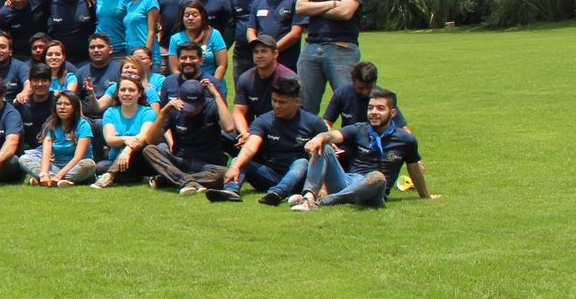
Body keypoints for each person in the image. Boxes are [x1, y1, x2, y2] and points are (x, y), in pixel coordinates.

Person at [294, 87, 439, 211]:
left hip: (374, 190)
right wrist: (318, 138)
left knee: (377, 177)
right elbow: (333, 135)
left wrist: (426, 196)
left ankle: (325, 201)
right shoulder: (360, 129)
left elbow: (414, 170)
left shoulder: (406, 140)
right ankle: (309, 198)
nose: (374, 112)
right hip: (348, 182)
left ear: (393, 113)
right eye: (370, 108)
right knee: (323, 147)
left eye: (380, 108)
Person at [216, 75, 328, 204]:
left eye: (282, 102)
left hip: (300, 179)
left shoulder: (314, 123)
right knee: (238, 160)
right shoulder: (264, 121)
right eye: (274, 100)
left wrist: (323, 187)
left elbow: (327, 156)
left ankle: (277, 193)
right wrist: (235, 167)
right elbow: (250, 146)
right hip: (270, 174)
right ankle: (230, 191)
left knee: (302, 162)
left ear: (297, 102)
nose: (277, 105)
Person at [294, 0, 368, 114]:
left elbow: (345, 12)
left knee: (348, 102)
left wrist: (314, 8)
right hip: (311, 48)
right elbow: (300, 8)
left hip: (341, 48)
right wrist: (333, 3)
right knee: (304, 104)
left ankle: (350, 132)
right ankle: (308, 133)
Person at [139, 77, 235, 195]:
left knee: (224, 173)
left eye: (195, 107)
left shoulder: (212, 106)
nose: (190, 111)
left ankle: (169, 180)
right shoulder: (174, 109)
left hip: (207, 164)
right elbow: (150, 140)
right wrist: (164, 112)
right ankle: (186, 181)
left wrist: (216, 95)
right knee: (149, 150)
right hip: (180, 160)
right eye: (187, 106)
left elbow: (229, 127)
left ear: (203, 101)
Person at [92, 76, 158, 188]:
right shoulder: (110, 112)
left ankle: (110, 175)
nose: (127, 93)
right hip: (117, 160)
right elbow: (110, 140)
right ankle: (144, 179)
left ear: (140, 93)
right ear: (117, 93)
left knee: (139, 145)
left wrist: (127, 149)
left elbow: (143, 136)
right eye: (123, 90)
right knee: (100, 167)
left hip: (139, 160)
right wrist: (126, 139)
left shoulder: (148, 112)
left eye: (132, 90)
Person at [22, 89, 96, 187]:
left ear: (75, 107)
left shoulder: (83, 125)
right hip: (55, 164)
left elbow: (78, 157)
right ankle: (57, 180)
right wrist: (44, 173)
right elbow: (46, 152)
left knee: (88, 164)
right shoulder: (51, 124)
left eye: (67, 104)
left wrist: (59, 175)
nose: (62, 107)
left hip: (75, 166)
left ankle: (52, 180)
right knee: (24, 158)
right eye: (59, 104)